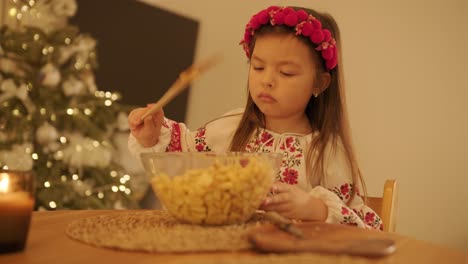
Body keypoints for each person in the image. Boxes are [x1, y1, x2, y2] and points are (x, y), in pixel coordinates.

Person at [128, 5, 383, 230]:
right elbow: (182, 162)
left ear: (319, 83)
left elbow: (369, 230)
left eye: (286, 72)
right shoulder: (230, 128)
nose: (267, 80)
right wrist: (151, 136)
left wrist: (316, 209)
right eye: (258, 67)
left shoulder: (326, 154)